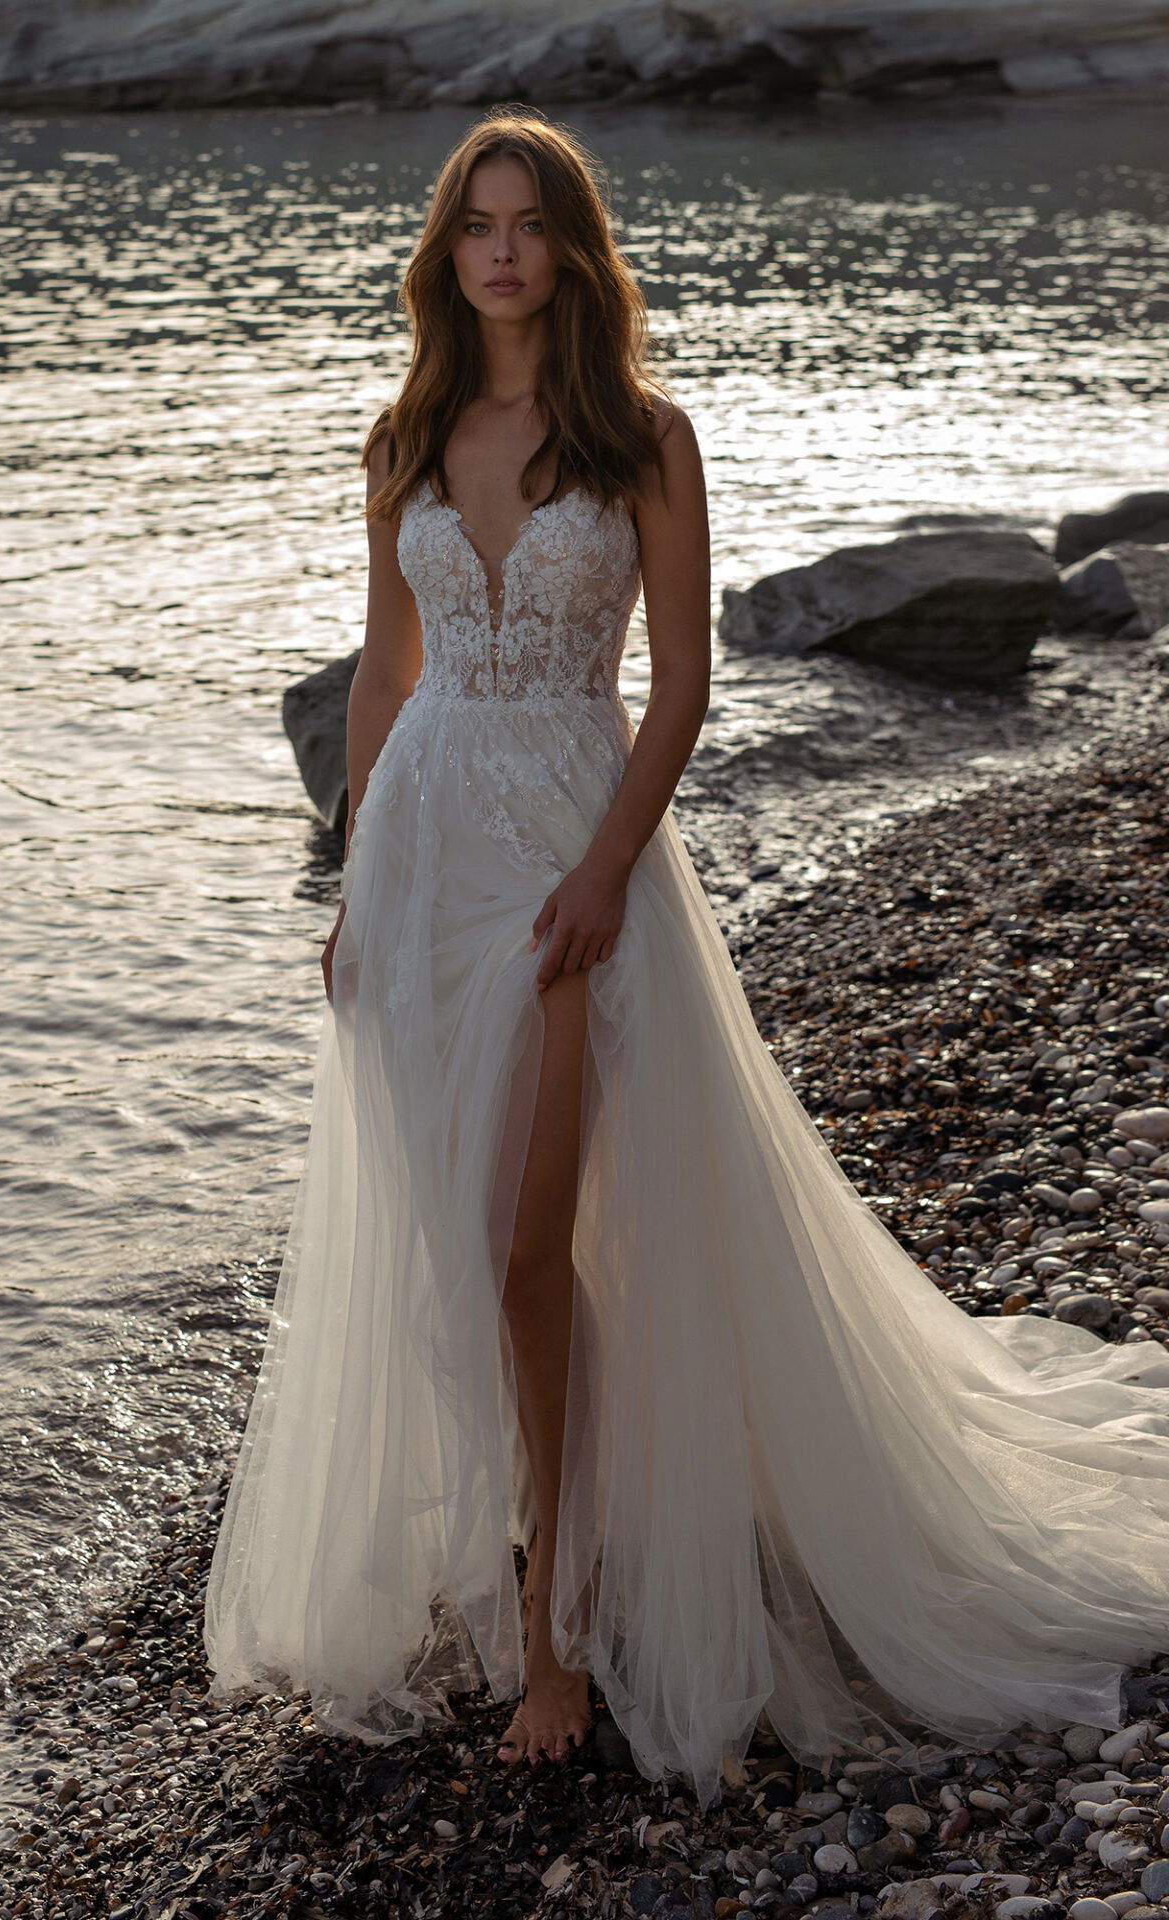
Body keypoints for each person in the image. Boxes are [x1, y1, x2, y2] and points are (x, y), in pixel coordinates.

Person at [204, 105, 1169, 1806]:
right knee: (465, 1237)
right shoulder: (408, 434)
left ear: (574, 248)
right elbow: (382, 673)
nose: (500, 249)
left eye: (530, 222)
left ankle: (559, 1629)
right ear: (448, 256)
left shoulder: (646, 435)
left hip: (575, 856)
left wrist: (602, 870)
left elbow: (684, 694)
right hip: (423, 857)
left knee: (533, 1240)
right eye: (475, 225)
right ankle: (553, 1517)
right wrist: (356, 875)